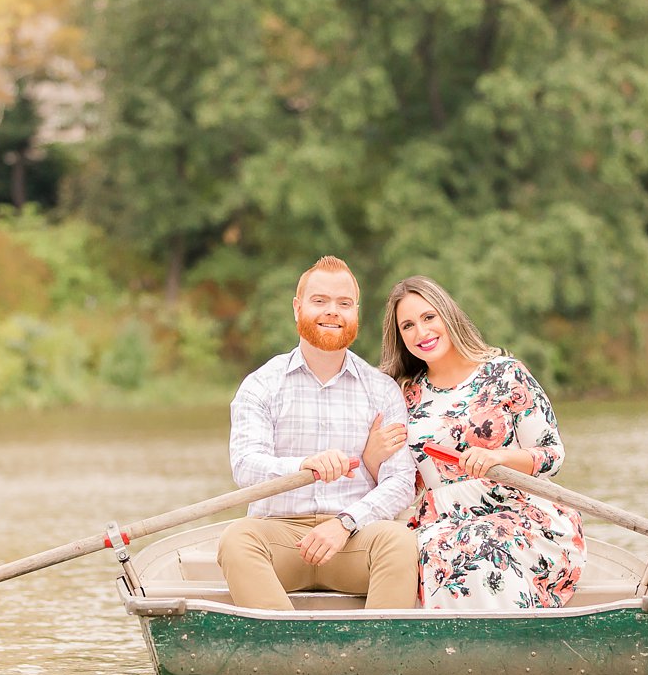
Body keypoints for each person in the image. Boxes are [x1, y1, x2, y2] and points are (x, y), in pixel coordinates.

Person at [364, 275, 585, 610]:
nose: (421, 333)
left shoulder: (504, 373)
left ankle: (507, 650)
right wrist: (372, 456)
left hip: (512, 510)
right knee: (424, 554)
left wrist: (499, 459)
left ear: (447, 315)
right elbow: (401, 486)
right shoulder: (403, 396)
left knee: (484, 547)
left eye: (428, 318)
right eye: (407, 326)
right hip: (438, 522)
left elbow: (552, 454)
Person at [217, 256, 419, 611]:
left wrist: (345, 523)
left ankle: (378, 658)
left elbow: (401, 481)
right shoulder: (262, 384)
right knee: (236, 540)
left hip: (353, 536)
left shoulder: (382, 390)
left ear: (357, 312)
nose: (332, 312)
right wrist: (303, 465)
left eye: (344, 304)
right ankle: (288, 652)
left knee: (400, 542)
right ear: (297, 309)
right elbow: (246, 467)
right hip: (279, 535)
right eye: (319, 301)